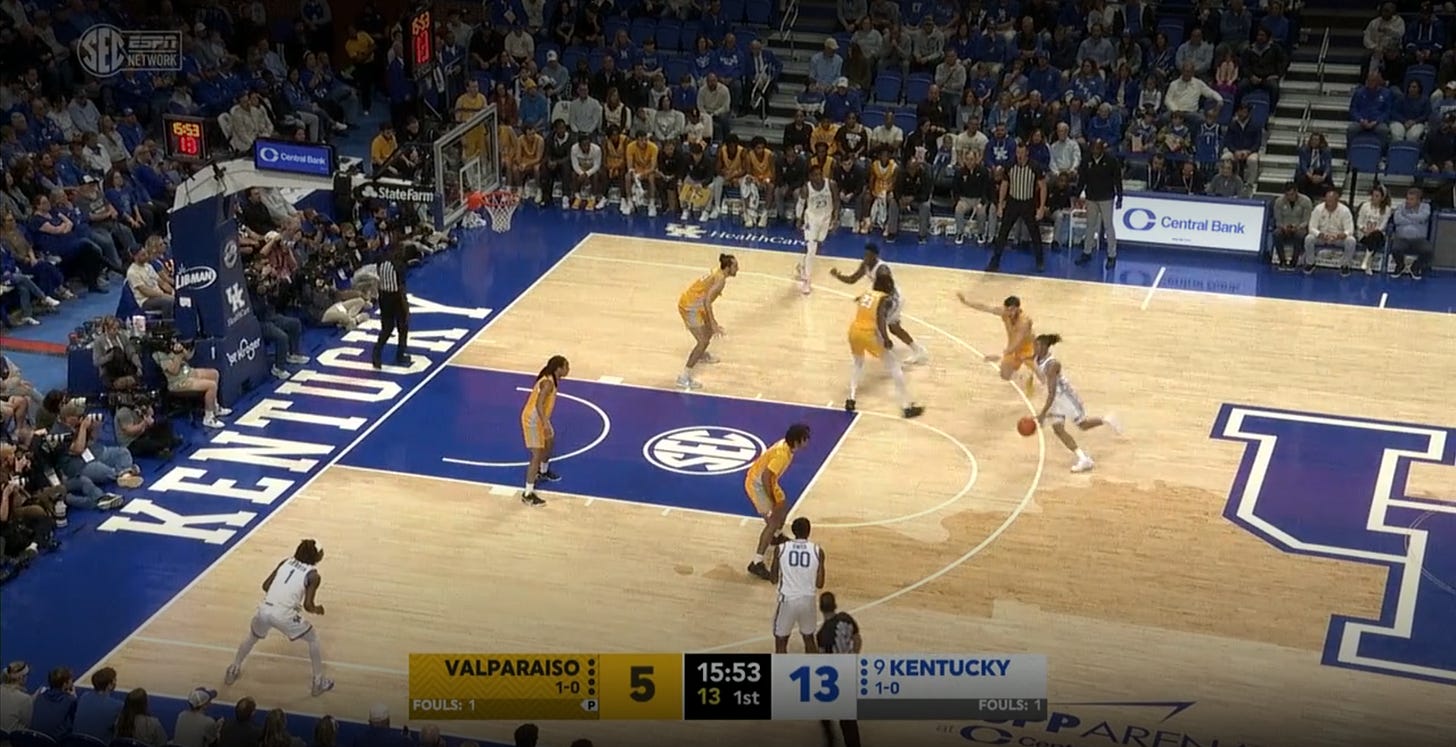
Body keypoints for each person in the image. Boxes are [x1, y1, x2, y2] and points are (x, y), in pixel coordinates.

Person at [224, 539, 335, 697]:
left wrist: (282, 596)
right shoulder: (313, 576)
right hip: (284, 614)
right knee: (313, 638)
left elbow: (265, 586)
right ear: (316, 556)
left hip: (264, 609)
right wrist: (318, 609)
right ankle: (318, 682)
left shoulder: (285, 562)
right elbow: (308, 606)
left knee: (252, 637)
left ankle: (233, 669)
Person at [1032, 334, 1122, 473]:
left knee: (1083, 425)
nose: (1034, 347)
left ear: (1044, 346)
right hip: (1056, 400)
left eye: (1037, 345)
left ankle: (1107, 420)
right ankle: (1083, 459)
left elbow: (1052, 392)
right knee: (1058, 430)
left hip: (1065, 398)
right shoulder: (1037, 358)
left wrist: (1043, 413)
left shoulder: (1052, 365)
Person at [830, 243, 928, 364]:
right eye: (865, 255)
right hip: (881, 296)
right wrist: (838, 276)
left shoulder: (882, 270)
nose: (866, 258)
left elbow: (887, 290)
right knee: (893, 328)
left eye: (869, 255)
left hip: (892, 297)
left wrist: (868, 297)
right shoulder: (865, 265)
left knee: (880, 327)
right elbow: (852, 279)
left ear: (875, 256)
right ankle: (917, 350)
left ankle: (895, 358)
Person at [846, 272, 925, 419]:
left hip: (853, 332)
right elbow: (880, 319)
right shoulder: (883, 299)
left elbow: (859, 300)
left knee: (858, 363)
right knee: (895, 367)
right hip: (869, 334)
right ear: (887, 285)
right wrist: (886, 338)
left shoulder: (867, 293)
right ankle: (906, 407)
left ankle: (851, 398)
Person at [745, 423, 812, 580]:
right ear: (797, 441)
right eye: (805, 438)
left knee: (784, 506)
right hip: (757, 485)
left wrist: (778, 502)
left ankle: (776, 536)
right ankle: (756, 562)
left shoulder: (787, 447)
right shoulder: (782, 455)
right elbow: (765, 476)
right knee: (773, 522)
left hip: (768, 482)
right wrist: (771, 499)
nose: (808, 441)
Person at [676, 254, 738, 391]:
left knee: (708, 331)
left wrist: (711, 325)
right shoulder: (720, 280)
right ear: (728, 268)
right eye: (735, 266)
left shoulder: (718, 272)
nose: (737, 268)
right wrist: (713, 322)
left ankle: (702, 355)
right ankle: (684, 377)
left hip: (696, 304)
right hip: (690, 307)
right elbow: (707, 301)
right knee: (703, 341)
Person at [956, 294, 1036, 394]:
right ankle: (1023, 377)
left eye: (1011, 310)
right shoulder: (1004, 312)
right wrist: (966, 302)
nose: (1009, 313)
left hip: (1027, 348)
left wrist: (998, 356)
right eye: (1007, 310)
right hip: (1012, 345)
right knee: (1005, 375)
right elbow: (985, 307)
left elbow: (1017, 342)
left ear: (1018, 309)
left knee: (1038, 372)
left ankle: (1030, 374)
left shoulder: (1024, 322)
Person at [769, 517, 825, 654]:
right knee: (809, 639)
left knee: (781, 642)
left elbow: (773, 579)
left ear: (793, 531)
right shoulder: (817, 551)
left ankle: (781, 667)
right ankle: (815, 666)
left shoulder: (781, 549)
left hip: (787, 600)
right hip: (808, 600)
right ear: (809, 531)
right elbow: (820, 583)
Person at [989, 144, 1047, 273]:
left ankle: (1040, 260)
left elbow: (1043, 187)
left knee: (1034, 233)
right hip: (1013, 202)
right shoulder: (1010, 165)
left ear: (1027, 153)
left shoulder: (1035, 166)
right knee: (1003, 232)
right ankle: (995, 261)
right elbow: (1004, 184)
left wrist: (1041, 207)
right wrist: (1000, 204)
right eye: (1017, 152)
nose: (1019, 155)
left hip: (1028, 203)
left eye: (1021, 153)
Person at [521, 356, 570, 507]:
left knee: (549, 442)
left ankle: (543, 472)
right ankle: (527, 494)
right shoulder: (548, 383)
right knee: (536, 455)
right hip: (532, 421)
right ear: (559, 368)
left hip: (540, 420)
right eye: (566, 366)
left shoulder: (552, 380)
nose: (568, 369)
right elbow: (538, 404)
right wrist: (545, 423)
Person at [816, 592, 862, 747]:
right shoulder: (846, 618)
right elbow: (857, 638)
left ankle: (831, 741)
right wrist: (853, 655)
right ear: (834, 605)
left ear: (821, 608)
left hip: (836, 678)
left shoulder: (823, 635)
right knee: (848, 719)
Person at [153, 340, 229, 429]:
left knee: (214, 374)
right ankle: (209, 418)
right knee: (211, 386)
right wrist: (177, 354)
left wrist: (183, 348)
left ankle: (214, 408)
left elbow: (188, 357)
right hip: (178, 382)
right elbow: (174, 370)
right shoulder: (158, 354)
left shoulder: (172, 344)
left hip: (188, 372)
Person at [1075, 139, 1124, 269]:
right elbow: (1082, 179)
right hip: (1091, 197)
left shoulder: (1111, 161)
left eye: (1098, 148)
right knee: (1090, 226)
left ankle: (1112, 255)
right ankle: (1087, 252)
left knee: (1108, 226)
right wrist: (1077, 194)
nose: (1095, 151)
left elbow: (1117, 180)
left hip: (1106, 198)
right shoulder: (1086, 160)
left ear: (1102, 148)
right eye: (1093, 148)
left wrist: (1120, 197)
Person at [796, 165, 839, 295]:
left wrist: (835, 218)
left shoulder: (831, 184)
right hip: (811, 219)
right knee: (811, 248)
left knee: (819, 242)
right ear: (810, 177)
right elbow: (800, 203)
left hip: (825, 218)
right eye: (815, 175)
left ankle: (802, 266)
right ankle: (807, 281)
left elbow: (836, 201)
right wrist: (798, 218)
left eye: (820, 174)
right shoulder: (806, 188)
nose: (818, 177)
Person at [370, 238, 410, 369]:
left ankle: (376, 353)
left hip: (383, 297)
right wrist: (405, 306)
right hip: (396, 297)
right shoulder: (398, 264)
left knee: (387, 328)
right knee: (403, 326)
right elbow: (401, 287)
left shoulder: (381, 260)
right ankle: (400, 355)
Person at [71, 667, 123, 741]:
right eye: (114, 680)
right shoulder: (118, 706)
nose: (116, 681)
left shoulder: (84, 696)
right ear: (109, 685)